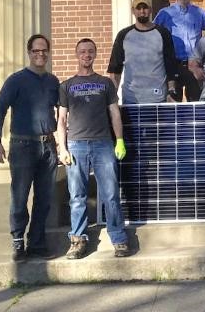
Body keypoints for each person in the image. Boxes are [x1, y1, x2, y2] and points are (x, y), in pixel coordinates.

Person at [57, 38, 130, 259]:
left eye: (90, 51)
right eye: (82, 51)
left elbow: (114, 112)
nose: (86, 55)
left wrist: (119, 140)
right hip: (76, 145)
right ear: (76, 55)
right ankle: (78, 240)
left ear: (95, 55)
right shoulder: (66, 86)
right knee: (77, 196)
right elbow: (61, 119)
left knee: (110, 194)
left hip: (103, 145)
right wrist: (63, 148)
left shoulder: (106, 84)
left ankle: (118, 238)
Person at [0, 34, 59, 261]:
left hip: (48, 146)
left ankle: (37, 243)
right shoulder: (16, 80)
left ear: (48, 53)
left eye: (44, 51)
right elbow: (0, 108)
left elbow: (64, 110)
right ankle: (18, 242)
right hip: (22, 146)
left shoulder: (52, 81)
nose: (40, 54)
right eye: (35, 51)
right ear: (28, 53)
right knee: (19, 197)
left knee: (44, 198)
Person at [153, 0, 205, 101]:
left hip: (194, 66)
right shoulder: (164, 14)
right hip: (172, 66)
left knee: (196, 104)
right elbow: (152, 35)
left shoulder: (199, 13)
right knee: (173, 105)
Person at [108, 0, 178, 104]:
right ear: (133, 11)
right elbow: (115, 69)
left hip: (158, 98)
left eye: (145, 8)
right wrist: (112, 97)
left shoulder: (163, 33)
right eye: (138, 8)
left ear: (150, 10)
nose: (142, 11)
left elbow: (170, 65)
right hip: (131, 98)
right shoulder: (123, 35)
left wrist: (171, 90)